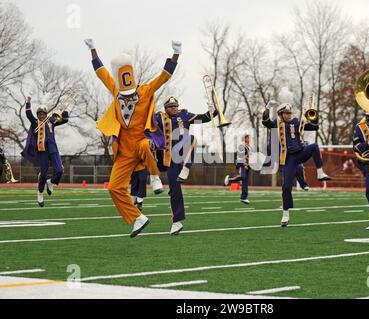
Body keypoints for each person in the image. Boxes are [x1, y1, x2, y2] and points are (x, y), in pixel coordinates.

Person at [84, 38, 179, 238]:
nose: (127, 97)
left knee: (145, 145)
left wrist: (176, 54)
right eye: (124, 94)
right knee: (114, 188)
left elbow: (163, 77)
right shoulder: (116, 92)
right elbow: (101, 73)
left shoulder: (144, 91)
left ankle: (155, 178)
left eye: (130, 94)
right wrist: (93, 50)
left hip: (142, 142)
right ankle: (138, 217)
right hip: (125, 151)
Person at [262, 101, 331, 227]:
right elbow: (266, 120)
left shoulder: (296, 122)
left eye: (290, 113)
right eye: (286, 113)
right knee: (286, 186)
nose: (289, 115)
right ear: (281, 114)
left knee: (314, 146)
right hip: (288, 159)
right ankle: (286, 214)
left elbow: (314, 126)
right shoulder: (277, 123)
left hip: (299, 153)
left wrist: (313, 115)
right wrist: (268, 107)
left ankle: (320, 173)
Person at [155, 96, 217, 235]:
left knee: (192, 138)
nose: (174, 108)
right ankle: (176, 222)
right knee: (174, 189)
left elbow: (205, 117)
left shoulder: (184, 114)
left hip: (184, 153)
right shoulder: (159, 117)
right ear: (166, 108)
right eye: (171, 106)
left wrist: (212, 110)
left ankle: (187, 167)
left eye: (175, 105)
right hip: (168, 157)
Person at [21, 96, 68, 206]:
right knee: (43, 173)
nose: (41, 116)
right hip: (42, 151)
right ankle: (40, 192)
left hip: (53, 149)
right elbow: (28, 114)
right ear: (38, 115)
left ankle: (51, 182)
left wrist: (64, 109)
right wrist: (28, 102)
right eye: (40, 114)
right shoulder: (35, 123)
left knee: (60, 170)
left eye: (43, 114)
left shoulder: (51, 121)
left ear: (46, 114)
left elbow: (64, 120)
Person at [224, 134, 252, 204]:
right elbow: (239, 157)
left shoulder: (250, 147)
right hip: (243, 165)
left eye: (248, 138)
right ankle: (229, 178)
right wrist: (241, 165)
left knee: (245, 182)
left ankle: (244, 197)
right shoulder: (242, 146)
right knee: (242, 177)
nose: (248, 139)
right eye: (247, 138)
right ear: (244, 139)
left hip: (248, 166)